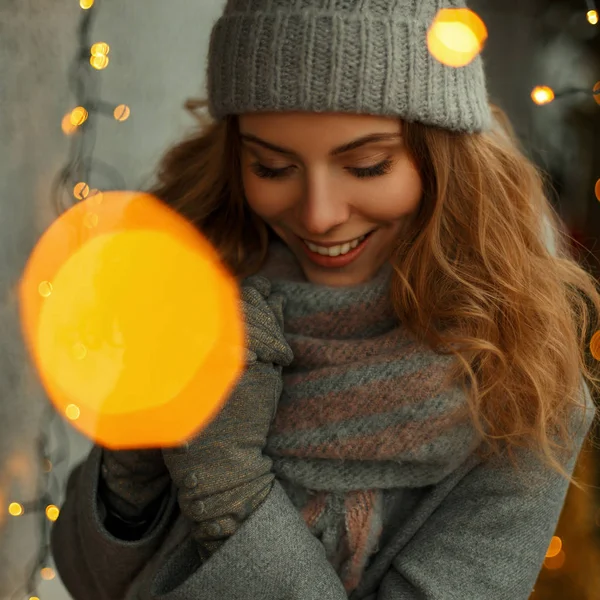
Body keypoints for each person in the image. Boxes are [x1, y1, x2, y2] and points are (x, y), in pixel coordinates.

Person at [50, 1, 600, 599]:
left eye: (367, 166)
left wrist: (230, 493)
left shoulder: (521, 376)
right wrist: (133, 459)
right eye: (273, 166)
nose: (318, 214)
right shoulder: (197, 281)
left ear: (445, 161)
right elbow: (90, 580)